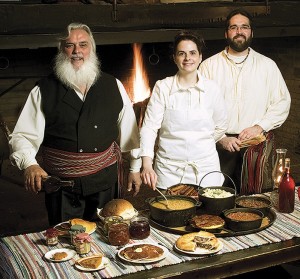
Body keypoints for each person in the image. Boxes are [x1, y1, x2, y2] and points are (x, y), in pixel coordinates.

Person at [8, 23, 142, 226]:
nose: (77, 51)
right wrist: (30, 164)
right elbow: (21, 136)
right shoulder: (43, 90)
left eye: (83, 45)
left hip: (105, 182)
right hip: (63, 188)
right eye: (69, 45)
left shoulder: (113, 85)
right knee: (67, 244)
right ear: (61, 51)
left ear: (92, 49)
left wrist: (134, 168)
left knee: (109, 236)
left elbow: (130, 131)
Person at [199, 9, 291, 194]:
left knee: (255, 201)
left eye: (244, 27)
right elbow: (199, 109)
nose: (239, 31)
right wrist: (221, 137)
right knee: (215, 197)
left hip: (255, 144)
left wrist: (259, 126)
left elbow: (282, 102)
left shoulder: (267, 65)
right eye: (234, 27)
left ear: (251, 32)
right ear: (226, 33)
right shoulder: (208, 66)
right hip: (219, 145)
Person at [140, 31, 228, 191]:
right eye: (182, 54)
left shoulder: (212, 89)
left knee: (208, 216)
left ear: (200, 57)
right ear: (174, 58)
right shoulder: (163, 87)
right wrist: (147, 164)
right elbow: (150, 127)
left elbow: (221, 126)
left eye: (193, 53)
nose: (188, 58)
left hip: (206, 170)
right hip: (169, 171)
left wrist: (200, 146)